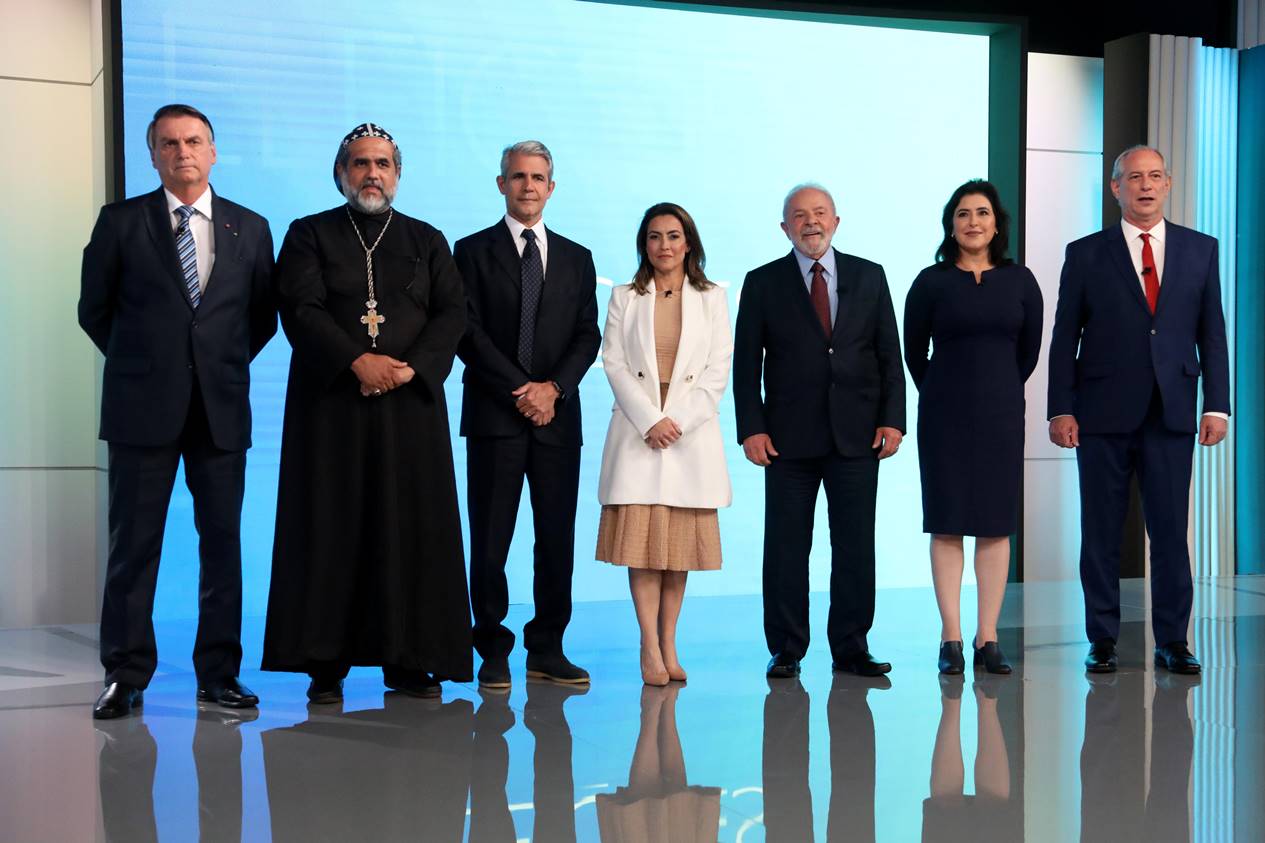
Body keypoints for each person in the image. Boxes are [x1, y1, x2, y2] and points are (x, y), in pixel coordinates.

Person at [79, 103, 277, 719]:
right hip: (143, 409)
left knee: (222, 545)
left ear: (213, 152)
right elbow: (94, 309)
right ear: (154, 154)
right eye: (169, 143)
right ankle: (125, 674)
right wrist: (148, 364)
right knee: (133, 547)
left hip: (220, 409)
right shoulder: (120, 222)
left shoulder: (251, 226)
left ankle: (219, 673)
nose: (183, 152)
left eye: (194, 141)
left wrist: (209, 364)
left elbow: (261, 318)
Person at [261, 123, 471, 702]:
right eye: (359, 163)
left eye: (382, 163)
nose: (371, 173)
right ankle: (323, 664)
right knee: (331, 529)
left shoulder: (428, 239)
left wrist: (410, 368)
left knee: (409, 532)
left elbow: (453, 314)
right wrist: (358, 360)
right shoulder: (309, 234)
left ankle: (411, 658)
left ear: (398, 175)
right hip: (331, 411)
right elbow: (300, 309)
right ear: (340, 173)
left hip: (410, 410)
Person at [1047, 145, 1230, 675]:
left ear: (1168, 184)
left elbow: (1211, 333)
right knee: (1100, 530)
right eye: (1133, 178)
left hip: (1173, 411)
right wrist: (1061, 408)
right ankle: (1102, 639)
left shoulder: (1201, 249)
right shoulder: (1085, 253)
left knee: (1171, 532)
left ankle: (1173, 639)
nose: (1145, 186)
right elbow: (1064, 338)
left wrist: (1217, 405)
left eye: (1154, 177)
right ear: (1115, 188)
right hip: (1100, 411)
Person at [733, 183, 905, 679]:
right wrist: (752, 429)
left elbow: (889, 355)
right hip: (786, 440)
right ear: (784, 227)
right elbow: (747, 367)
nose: (811, 222)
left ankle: (852, 647)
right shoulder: (762, 282)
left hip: (858, 437)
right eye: (799, 215)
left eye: (820, 213)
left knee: (855, 546)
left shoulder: (869, 276)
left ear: (836, 220)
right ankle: (786, 648)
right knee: (786, 547)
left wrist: (893, 419)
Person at [454, 141, 601, 690]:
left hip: (558, 420)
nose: (529, 186)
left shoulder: (577, 257)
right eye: (518, 176)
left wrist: (554, 389)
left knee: (555, 539)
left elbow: (588, 334)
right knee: (490, 539)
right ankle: (490, 646)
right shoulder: (469, 251)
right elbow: (466, 331)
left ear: (552, 187)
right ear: (501, 184)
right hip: (496, 415)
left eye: (539, 177)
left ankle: (548, 647)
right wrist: (521, 387)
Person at [903, 180, 1043, 675]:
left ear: (997, 223)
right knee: (947, 523)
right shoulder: (930, 281)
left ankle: (988, 637)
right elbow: (913, 352)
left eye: (982, 212)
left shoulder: (1020, 280)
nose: (973, 221)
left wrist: (996, 389)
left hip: (1002, 416)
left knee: (994, 525)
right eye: (962, 213)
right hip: (943, 416)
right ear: (951, 224)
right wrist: (944, 391)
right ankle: (952, 636)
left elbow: (1028, 352)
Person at [595, 203, 732, 686]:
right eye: (654, 237)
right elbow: (612, 363)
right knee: (643, 548)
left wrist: (677, 421)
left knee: (677, 553)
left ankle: (670, 642)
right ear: (644, 244)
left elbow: (717, 372)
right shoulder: (623, 297)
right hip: (639, 433)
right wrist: (651, 420)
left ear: (688, 242)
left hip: (688, 436)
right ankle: (647, 646)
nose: (664, 245)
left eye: (673, 236)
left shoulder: (712, 297)